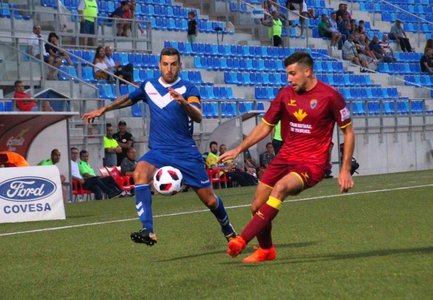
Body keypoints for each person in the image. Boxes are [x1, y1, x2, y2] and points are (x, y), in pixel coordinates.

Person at [82, 47, 237, 246]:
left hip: (185, 153)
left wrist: (184, 104)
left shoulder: (188, 89)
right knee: (140, 173)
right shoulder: (149, 85)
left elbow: (198, 116)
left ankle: (227, 228)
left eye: (173, 64)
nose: (169, 69)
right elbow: (128, 99)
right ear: (159, 65)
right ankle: (148, 230)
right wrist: (104, 108)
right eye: (165, 64)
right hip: (159, 151)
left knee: (210, 201)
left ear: (179, 66)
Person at [219, 51, 355, 263]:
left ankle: (241, 240)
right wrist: (238, 150)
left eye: (293, 74)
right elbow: (265, 126)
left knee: (280, 188)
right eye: (288, 74)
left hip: (312, 162)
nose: (289, 79)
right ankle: (266, 250)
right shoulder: (285, 95)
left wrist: (345, 169)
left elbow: (348, 131)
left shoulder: (330, 96)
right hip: (285, 157)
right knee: (256, 207)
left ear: (307, 71)